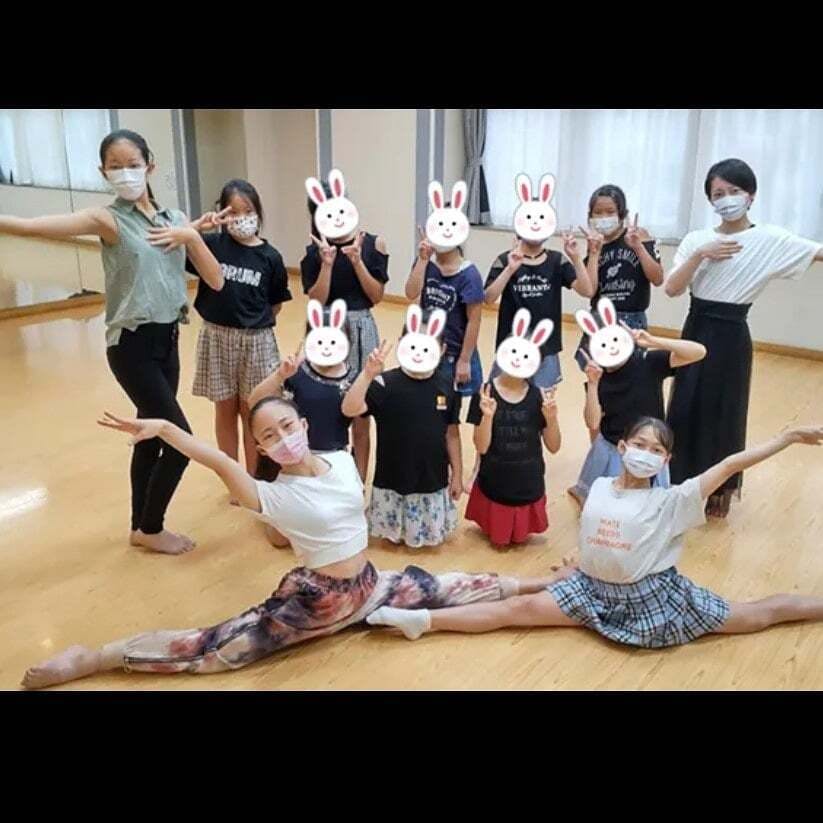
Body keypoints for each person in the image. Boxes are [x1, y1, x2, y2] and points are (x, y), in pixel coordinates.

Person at [20, 399, 557, 689]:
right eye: (268, 437)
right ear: (260, 449)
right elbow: (218, 460)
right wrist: (164, 428)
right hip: (314, 601)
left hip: (370, 584)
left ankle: (540, 583)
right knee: (217, 650)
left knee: (449, 584)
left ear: (302, 423)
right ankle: (97, 658)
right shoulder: (270, 495)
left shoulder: (341, 460)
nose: (282, 439)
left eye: (286, 426)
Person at [366, 417, 823, 648]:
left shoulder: (674, 500)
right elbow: (599, 533)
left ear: (665, 461)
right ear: (622, 447)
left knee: (754, 616)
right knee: (517, 609)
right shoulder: (601, 486)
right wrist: (578, 563)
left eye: (656, 450)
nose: (645, 453)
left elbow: (728, 465)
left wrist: (786, 438)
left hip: (653, 600)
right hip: (590, 591)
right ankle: (424, 622)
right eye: (639, 444)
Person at [0, 129, 223, 555]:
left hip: (167, 340)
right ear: (103, 172)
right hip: (131, 347)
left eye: (132, 164)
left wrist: (193, 233)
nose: (125, 173)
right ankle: (152, 528)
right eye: (115, 167)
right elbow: (32, 225)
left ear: (150, 165)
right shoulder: (108, 220)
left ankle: (140, 527)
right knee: (179, 441)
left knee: (151, 434)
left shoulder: (175, 219)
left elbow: (212, 278)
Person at [665, 158, 823, 518]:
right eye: (718, 193)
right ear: (710, 200)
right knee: (685, 403)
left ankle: (720, 488)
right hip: (696, 327)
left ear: (750, 195)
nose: (726, 199)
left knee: (726, 408)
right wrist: (701, 255)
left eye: (734, 191)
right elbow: (672, 288)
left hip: (732, 333)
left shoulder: (770, 239)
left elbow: (816, 252)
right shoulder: (697, 239)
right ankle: (678, 480)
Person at [187, 178, 291, 480]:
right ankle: (231, 475)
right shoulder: (211, 245)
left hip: (256, 341)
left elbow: (275, 304)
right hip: (216, 337)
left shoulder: (270, 257)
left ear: (258, 213)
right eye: (232, 212)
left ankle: (252, 477)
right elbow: (175, 244)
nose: (240, 218)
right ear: (220, 213)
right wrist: (199, 228)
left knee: (252, 410)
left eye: (247, 211)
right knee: (224, 409)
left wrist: (252, 322)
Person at [341, 306, 464, 548]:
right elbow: (350, 409)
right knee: (392, 539)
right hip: (392, 478)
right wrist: (366, 375)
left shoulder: (447, 386)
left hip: (432, 477)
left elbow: (452, 433)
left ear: (442, 349)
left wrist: (458, 474)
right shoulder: (383, 384)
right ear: (401, 343)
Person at [568, 298, 706, 505]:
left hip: (647, 447)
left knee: (644, 502)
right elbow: (593, 422)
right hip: (614, 448)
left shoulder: (648, 362)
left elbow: (699, 352)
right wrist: (593, 385)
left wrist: (654, 341)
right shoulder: (598, 378)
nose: (611, 348)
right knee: (607, 502)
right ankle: (584, 494)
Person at [301, 170, 388, 481]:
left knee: (362, 409)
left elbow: (376, 296)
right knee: (324, 403)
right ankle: (326, 477)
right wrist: (326, 263)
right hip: (325, 328)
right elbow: (316, 299)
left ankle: (358, 481)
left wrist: (356, 261)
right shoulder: (314, 252)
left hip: (362, 327)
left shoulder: (374, 244)